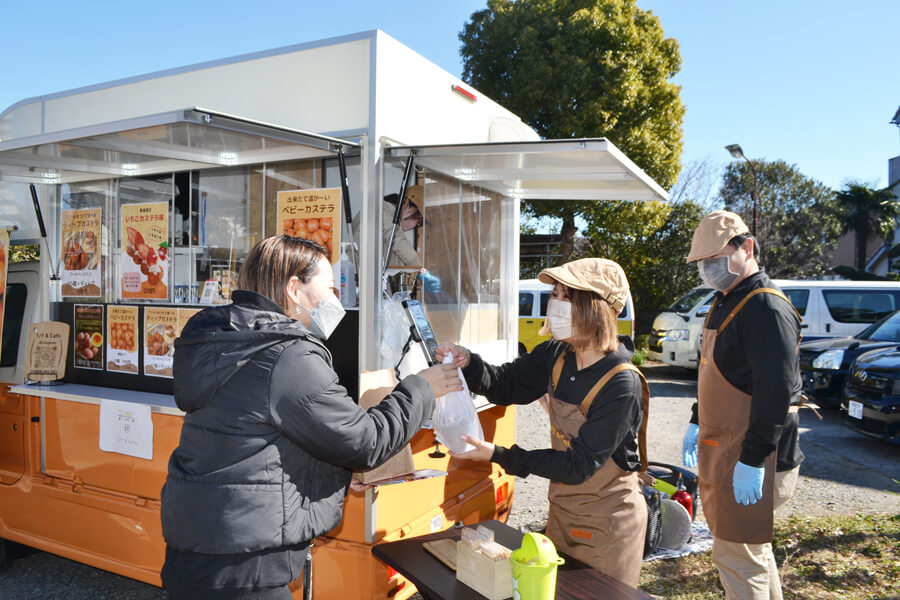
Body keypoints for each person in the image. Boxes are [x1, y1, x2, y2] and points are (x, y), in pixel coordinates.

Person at [160, 235, 462, 599]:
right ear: (294, 289)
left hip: (198, 548)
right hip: (246, 568)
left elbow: (260, 443)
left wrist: (330, 475)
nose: (336, 301)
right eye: (331, 288)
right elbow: (365, 442)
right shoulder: (287, 356)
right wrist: (421, 388)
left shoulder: (224, 341)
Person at [436, 258, 649, 587]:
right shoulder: (556, 354)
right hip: (563, 512)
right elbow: (507, 384)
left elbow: (578, 465)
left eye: (566, 297)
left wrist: (499, 454)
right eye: (555, 295)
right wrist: (469, 362)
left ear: (595, 308)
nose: (555, 305)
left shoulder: (621, 384)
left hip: (610, 523)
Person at [681, 210, 803, 600]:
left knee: (736, 556)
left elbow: (777, 392)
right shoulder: (728, 299)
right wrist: (699, 419)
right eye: (702, 263)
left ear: (746, 248)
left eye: (715, 259)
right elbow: (721, 373)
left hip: (756, 459)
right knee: (752, 552)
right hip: (728, 450)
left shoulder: (765, 308)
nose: (708, 269)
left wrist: (753, 460)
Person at [352, 190, 440, 294]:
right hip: (360, 283)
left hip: (369, 283)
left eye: (419, 223)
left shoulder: (384, 220)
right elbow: (397, 241)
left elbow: (398, 258)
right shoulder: (381, 209)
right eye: (416, 217)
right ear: (405, 203)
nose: (414, 224)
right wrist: (420, 270)